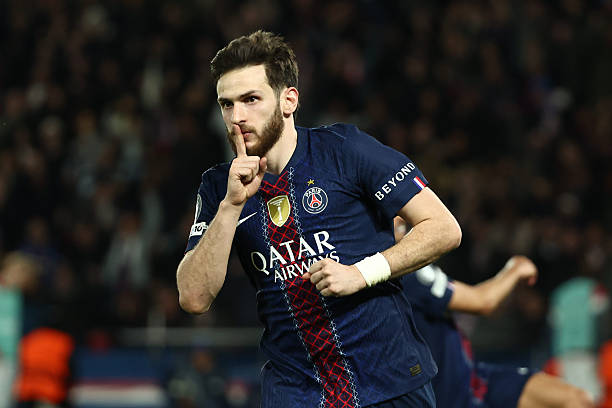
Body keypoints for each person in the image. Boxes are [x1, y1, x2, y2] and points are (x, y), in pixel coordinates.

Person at [176, 31, 462, 408]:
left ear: (289, 100)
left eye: (251, 99)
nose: (237, 117)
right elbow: (193, 297)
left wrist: (361, 273)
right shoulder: (219, 186)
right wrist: (230, 206)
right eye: (226, 105)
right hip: (296, 392)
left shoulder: (345, 150)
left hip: (389, 381)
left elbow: (443, 228)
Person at [394, 218, 594, 408]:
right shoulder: (403, 271)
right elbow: (484, 301)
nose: (403, 217)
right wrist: (516, 268)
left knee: (576, 400)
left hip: (472, 379)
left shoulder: (405, 266)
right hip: (447, 395)